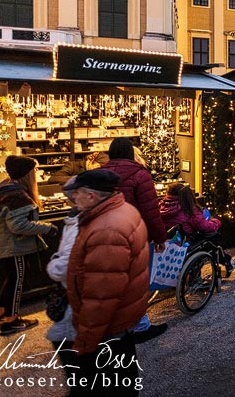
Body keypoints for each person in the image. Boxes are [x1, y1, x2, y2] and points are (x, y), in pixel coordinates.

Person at [65, 168, 149, 395]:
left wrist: (85, 340)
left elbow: (101, 295)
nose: (74, 199)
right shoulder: (123, 210)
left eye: (78, 193)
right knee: (123, 376)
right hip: (123, 318)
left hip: (109, 326)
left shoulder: (106, 230)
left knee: (108, 383)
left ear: (92, 195)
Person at [101, 137, 167, 343]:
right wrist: (160, 237)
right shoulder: (140, 174)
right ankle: (140, 326)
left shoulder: (99, 174)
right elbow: (151, 211)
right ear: (131, 153)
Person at [0, 155, 57, 335]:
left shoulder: (5, 189)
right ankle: (12, 320)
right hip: (12, 246)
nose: (36, 173)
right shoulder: (18, 196)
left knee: (11, 279)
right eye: (35, 170)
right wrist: (47, 228)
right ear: (27, 174)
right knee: (16, 281)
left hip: (0, 244)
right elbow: (18, 226)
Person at [159, 183, 235, 274]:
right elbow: (205, 227)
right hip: (185, 244)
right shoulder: (188, 208)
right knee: (211, 240)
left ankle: (227, 260)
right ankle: (227, 261)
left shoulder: (161, 207)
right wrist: (216, 222)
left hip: (167, 243)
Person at [45, 180, 79, 374]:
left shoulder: (78, 222)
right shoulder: (80, 220)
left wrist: (54, 264)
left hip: (77, 292)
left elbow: (66, 264)